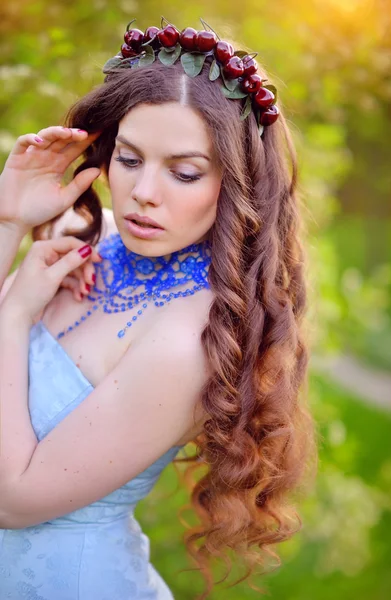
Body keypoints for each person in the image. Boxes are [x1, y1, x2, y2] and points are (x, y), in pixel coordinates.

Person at [0, 17, 317, 600]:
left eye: (184, 171)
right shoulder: (88, 238)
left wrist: (13, 319)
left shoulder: (189, 341)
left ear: (236, 183)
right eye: (129, 159)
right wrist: (9, 221)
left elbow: (12, 500)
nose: (145, 191)